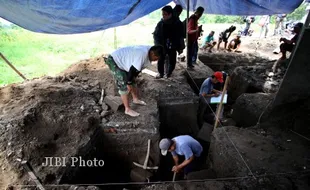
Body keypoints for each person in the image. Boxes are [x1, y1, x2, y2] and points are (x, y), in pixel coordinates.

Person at [105, 45, 163, 117]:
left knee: (133, 80)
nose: (156, 60)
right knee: (124, 85)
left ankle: (135, 99)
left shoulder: (151, 50)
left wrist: (132, 80)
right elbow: (132, 70)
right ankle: (127, 109)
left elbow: (136, 70)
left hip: (125, 61)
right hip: (114, 60)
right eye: (156, 58)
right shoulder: (142, 55)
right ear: (152, 53)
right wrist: (128, 84)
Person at [153, 5, 184, 78]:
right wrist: (157, 45)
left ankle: (169, 73)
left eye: (165, 14)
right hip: (162, 45)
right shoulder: (160, 23)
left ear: (170, 14)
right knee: (160, 60)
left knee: (172, 61)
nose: (163, 16)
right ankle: (161, 73)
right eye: (162, 14)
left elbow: (180, 36)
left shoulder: (178, 23)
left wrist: (180, 47)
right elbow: (156, 35)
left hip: (172, 46)